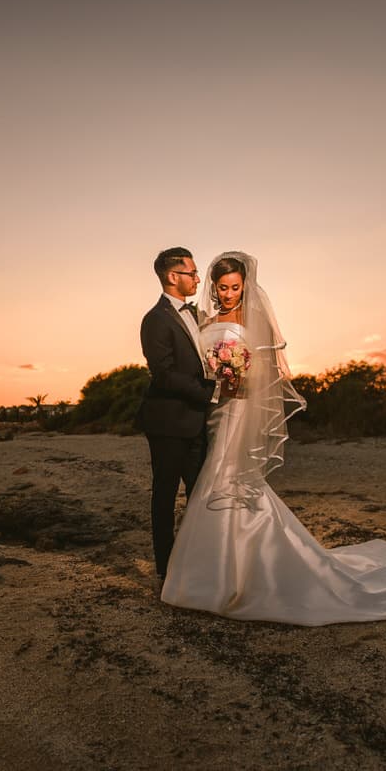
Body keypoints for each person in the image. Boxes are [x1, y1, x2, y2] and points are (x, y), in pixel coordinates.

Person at [161, 251, 386, 624]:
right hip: (215, 410)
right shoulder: (207, 320)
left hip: (239, 408)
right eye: (223, 287)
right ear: (213, 288)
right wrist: (219, 379)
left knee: (229, 476)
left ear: (245, 286)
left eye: (236, 287)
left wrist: (240, 379)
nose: (229, 293)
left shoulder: (253, 320)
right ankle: (214, 571)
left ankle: (235, 573)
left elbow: (264, 371)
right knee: (214, 476)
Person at [136, 248, 219, 582]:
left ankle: (198, 560)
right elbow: (165, 374)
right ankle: (165, 567)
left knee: (200, 494)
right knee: (166, 495)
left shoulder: (198, 316)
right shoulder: (155, 320)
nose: (198, 279)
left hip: (199, 420)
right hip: (168, 422)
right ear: (173, 276)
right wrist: (210, 394)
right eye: (192, 273)